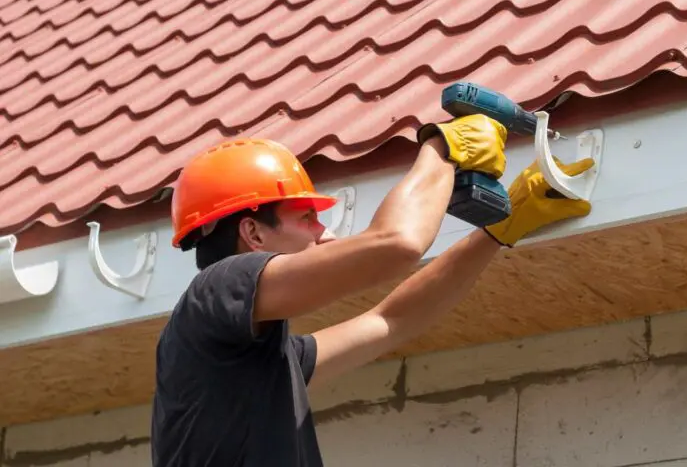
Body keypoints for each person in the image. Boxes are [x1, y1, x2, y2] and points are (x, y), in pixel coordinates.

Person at [149, 113, 595, 466]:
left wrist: (498, 230)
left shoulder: (258, 362)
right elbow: (396, 243)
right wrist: (442, 150)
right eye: (306, 217)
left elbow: (390, 321)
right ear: (253, 233)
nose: (324, 233)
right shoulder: (216, 289)